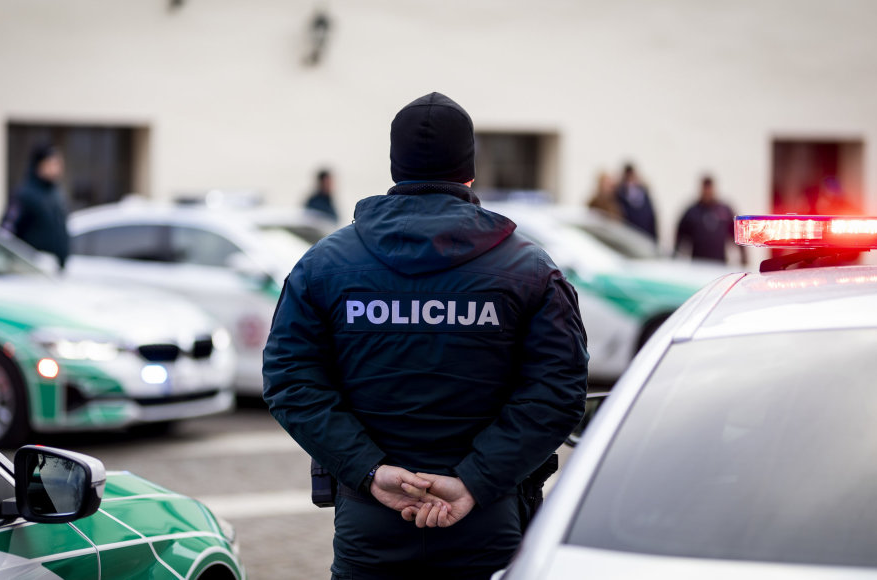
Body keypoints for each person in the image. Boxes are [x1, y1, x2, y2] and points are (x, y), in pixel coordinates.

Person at [263, 92, 589, 579]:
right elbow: (558, 391)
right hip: (488, 517)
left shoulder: (323, 265)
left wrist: (370, 471)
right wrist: (474, 481)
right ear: (469, 172)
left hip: (371, 520)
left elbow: (291, 380)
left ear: (396, 169)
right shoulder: (528, 269)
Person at [0, 143, 71, 269]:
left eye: (58, 164)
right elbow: (6, 231)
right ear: (39, 165)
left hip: (53, 268)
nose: (56, 168)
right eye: (51, 163)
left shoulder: (56, 194)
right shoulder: (25, 194)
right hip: (29, 267)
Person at [675, 175, 745, 265]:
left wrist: (744, 257)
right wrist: (676, 257)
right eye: (705, 189)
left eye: (709, 189)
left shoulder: (724, 211)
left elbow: (737, 233)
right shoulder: (692, 212)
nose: (707, 192)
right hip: (697, 263)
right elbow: (680, 236)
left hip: (720, 263)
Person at [614, 162, 658, 242]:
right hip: (629, 236)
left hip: (646, 235)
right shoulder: (620, 195)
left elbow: (651, 217)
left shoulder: (644, 194)